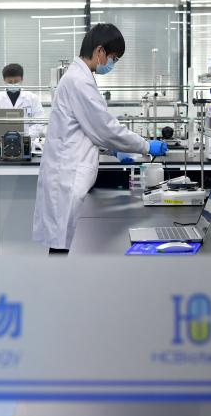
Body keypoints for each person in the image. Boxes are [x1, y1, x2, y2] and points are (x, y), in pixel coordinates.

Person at [33, 23, 167, 254]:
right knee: (61, 250)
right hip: (67, 174)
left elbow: (86, 128)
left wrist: (113, 150)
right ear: (100, 51)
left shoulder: (78, 77)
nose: (112, 63)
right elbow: (105, 128)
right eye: (113, 58)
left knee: (62, 247)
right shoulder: (79, 81)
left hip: (67, 171)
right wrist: (146, 145)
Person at [0, 63, 45, 137]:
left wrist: (26, 135)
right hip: (1, 139)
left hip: (27, 139)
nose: (13, 84)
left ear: (22, 79)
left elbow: (40, 121)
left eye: (16, 81)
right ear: (4, 81)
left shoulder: (32, 98)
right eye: (10, 82)